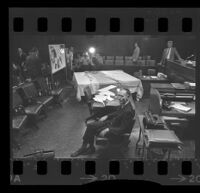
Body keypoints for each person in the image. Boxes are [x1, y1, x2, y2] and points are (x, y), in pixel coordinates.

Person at [71, 90, 135, 157]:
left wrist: (109, 130)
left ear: (128, 96)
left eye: (121, 96)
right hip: (111, 123)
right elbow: (118, 113)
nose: (119, 98)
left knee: (92, 128)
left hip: (114, 129)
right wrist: (107, 116)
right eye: (118, 95)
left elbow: (123, 129)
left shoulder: (128, 111)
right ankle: (87, 147)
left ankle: (87, 148)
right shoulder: (125, 104)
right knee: (90, 126)